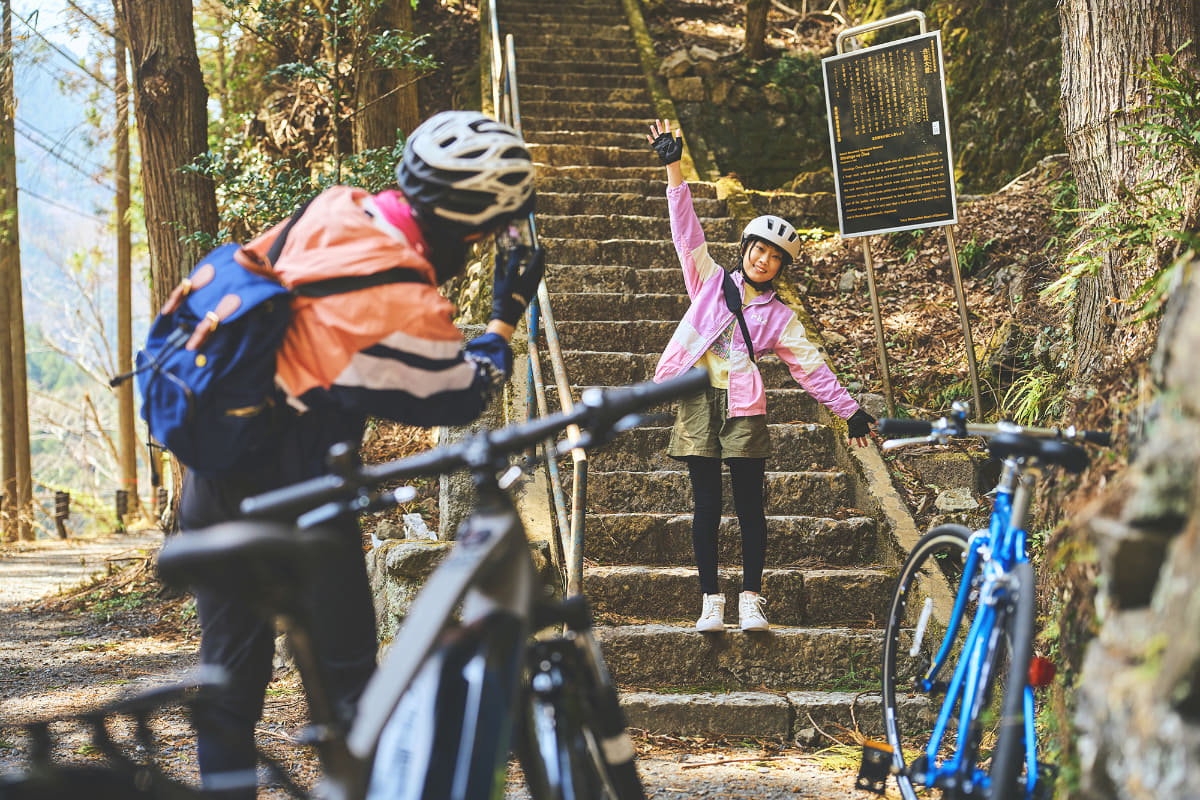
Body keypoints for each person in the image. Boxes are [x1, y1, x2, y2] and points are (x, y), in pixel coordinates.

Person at [179, 110, 543, 799]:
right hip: (302, 492)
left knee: (227, 685)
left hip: (215, 472)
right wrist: (503, 314)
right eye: (490, 231)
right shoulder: (400, 291)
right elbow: (458, 393)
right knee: (351, 695)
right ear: (469, 227)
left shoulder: (331, 208)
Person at [646, 119, 874, 633]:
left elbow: (811, 369)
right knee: (705, 506)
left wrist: (851, 411)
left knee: (750, 507)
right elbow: (687, 234)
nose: (764, 259)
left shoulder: (780, 317)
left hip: (744, 408)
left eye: (775, 257)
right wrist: (673, 168)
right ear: (745, 246)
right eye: (758, 249)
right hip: (697, 399)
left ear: (781, 267)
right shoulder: (708, 281)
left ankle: (751, 597)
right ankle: (711, 600)